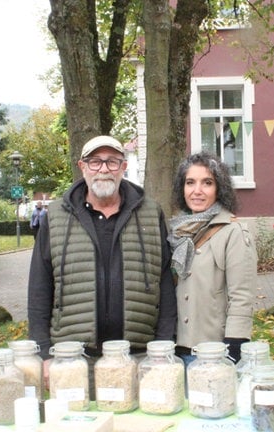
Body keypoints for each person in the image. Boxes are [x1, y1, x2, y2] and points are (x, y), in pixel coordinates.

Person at [27, 135, 177, 393]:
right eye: (95, 162)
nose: (104, 169)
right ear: (82, 166)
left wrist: (163, 348)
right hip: (72, 360)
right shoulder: (56, 217)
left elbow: (164, 285)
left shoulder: (151, 213)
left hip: (139, 359)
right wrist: (43, 352)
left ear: (123, 167)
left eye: (112, 162)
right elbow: (40, 288)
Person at [168, 151, 256, 363]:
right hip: (176, 351)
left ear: (219, 189)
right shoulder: (176, 233)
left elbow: (241, 296)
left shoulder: (233, 232)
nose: (197, 191)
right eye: (190, 182)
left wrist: (234, 346)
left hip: (213, 353)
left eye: (207, 183)